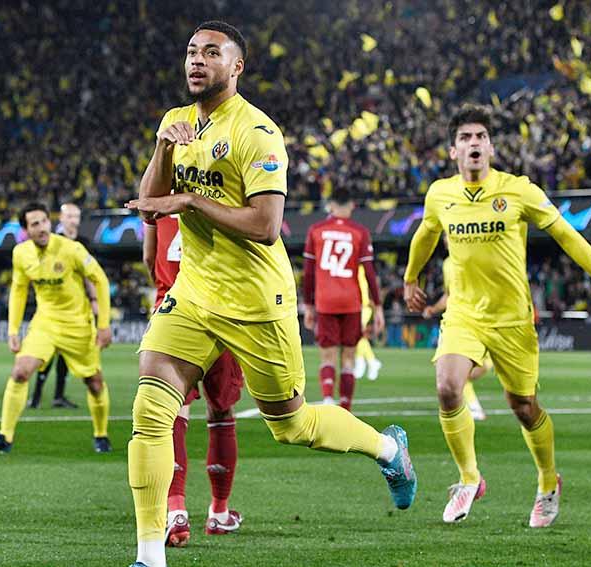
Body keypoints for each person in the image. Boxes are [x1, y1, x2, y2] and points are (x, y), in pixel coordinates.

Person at [123, 21, 416, 567]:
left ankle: (389, 449)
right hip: (192, 294)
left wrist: (189, 202)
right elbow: (148, 201)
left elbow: (264, 224)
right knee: (150, 408)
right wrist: (163, 150)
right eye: (191, 51)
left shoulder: (258, 132)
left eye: (212, 53)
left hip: (258, 301)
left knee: (292, 425)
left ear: (236, 67)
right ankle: (148, 555)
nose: (197, 60)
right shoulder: (175, 122)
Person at [403, 104, 591, 527]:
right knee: (448, 386)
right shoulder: (440, 195)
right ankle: (469, 478)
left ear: (491, 147)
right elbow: (425, 234)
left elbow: (565, 234)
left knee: (523, 406)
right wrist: (412, 278)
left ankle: (547, 481)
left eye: (481, 137)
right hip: (464, 313)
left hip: (513, 320)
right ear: (453, 151)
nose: (474, 144)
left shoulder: (518, 190)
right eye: (465, 138)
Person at [0, 202, 113, 454]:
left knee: (94, 383)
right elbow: (18, 290)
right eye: (34, 224)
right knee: (20, 371)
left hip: (77, 325)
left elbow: (100, 280)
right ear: (26, 229)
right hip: (45, 324)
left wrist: (103, 325)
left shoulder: (71, 249)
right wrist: (13, 331)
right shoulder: (21, 253)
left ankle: (100, 434)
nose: (41, 228)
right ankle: (4, 437)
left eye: (44, 221)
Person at [143, 213, 246, 546]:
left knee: (173, 413)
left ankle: (175, 511)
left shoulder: (158, 199)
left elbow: (149, 257)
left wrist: (165, 288)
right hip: (220, 313)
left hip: (171, 312)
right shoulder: (219, 195)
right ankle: (219, 512)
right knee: (220, 413)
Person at [302, 188, 385, 410]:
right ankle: (346, 407)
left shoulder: (316, 230)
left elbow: (308, 272)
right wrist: (378, 307)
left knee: (327, 356)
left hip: (325, 301)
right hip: (351, 301)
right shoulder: (360, 232)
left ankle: (328, 401)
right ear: (351, 206)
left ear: (330, 205)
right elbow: (369, 272)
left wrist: (308, 305)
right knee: (348, 357)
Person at [29, 203, 94, 409]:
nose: (74, 220)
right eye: (70, 216)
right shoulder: (52, 242)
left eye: (77, 216)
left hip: (77, 307)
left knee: (65, 354)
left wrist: (93, 300)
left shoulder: (84, 243)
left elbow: (89, 274)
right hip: (54, 304)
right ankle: (37, 396)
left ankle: (58, 396)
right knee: (47, 354)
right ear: (61, 219)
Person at [421, 255, 490, 421]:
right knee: (454, 374)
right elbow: (449, 295)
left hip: (482, 325)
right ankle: (473, 407)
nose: (446, 238)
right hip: (457, 325)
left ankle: (472, 407)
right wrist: (433, 309)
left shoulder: (479, 255)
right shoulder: (447, 264)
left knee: (465, 372)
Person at [353, 265, 383, 381]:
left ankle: (367, 362)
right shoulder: (360, 268)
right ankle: (367, 362)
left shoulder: (358, 268)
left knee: (358, 336)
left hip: (362, 306)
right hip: (360, 305)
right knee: (357, 336)